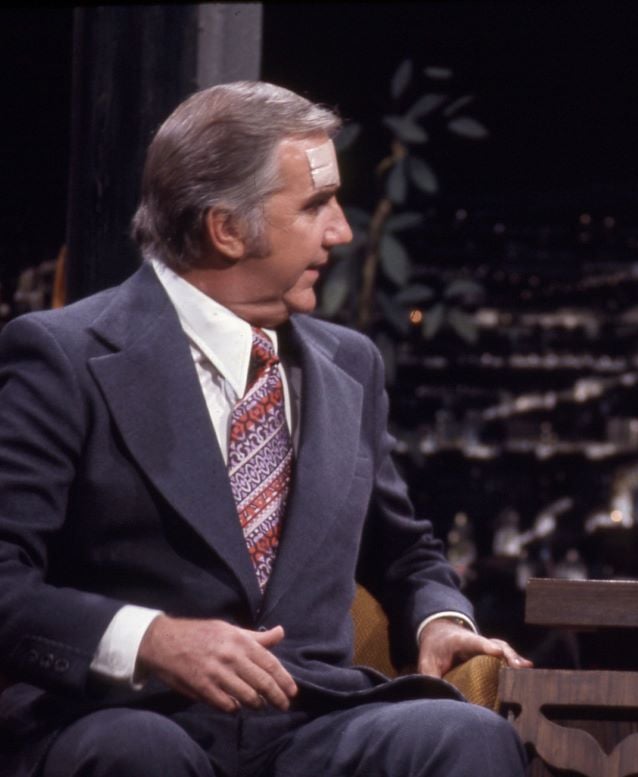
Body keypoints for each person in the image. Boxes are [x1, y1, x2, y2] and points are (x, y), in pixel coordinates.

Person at [0, 81, 531, 777]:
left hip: (307, 723)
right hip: (130, 715)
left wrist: (439, 621)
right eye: (316, 205)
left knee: (465, 737)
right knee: (141, 755)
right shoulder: (62, 357)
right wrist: (152, 639)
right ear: (227, 228)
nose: (341, 230)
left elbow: (405, 556)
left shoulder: (352, 367)